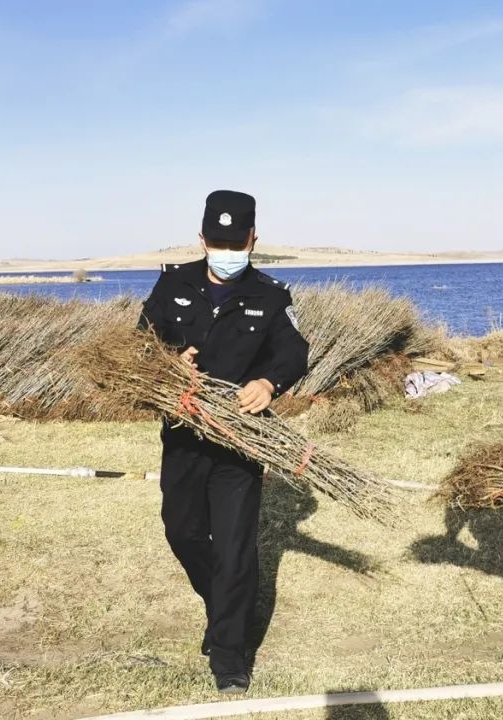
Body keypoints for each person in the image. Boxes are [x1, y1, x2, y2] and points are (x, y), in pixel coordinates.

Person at [137, 190, 309, 694]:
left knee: (235, 549)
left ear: (254, 240)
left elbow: (295, 351)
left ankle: (231, 653)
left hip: (241, 442)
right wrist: (170, 363)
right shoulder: (173, 285)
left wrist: (269, 382)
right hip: (184, 436)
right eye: (218, 241)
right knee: (182, 531)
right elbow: (141, 342)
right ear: (202, 239)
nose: (227, 250)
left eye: (237, 242)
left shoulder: (270, 295)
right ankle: (223, 609)